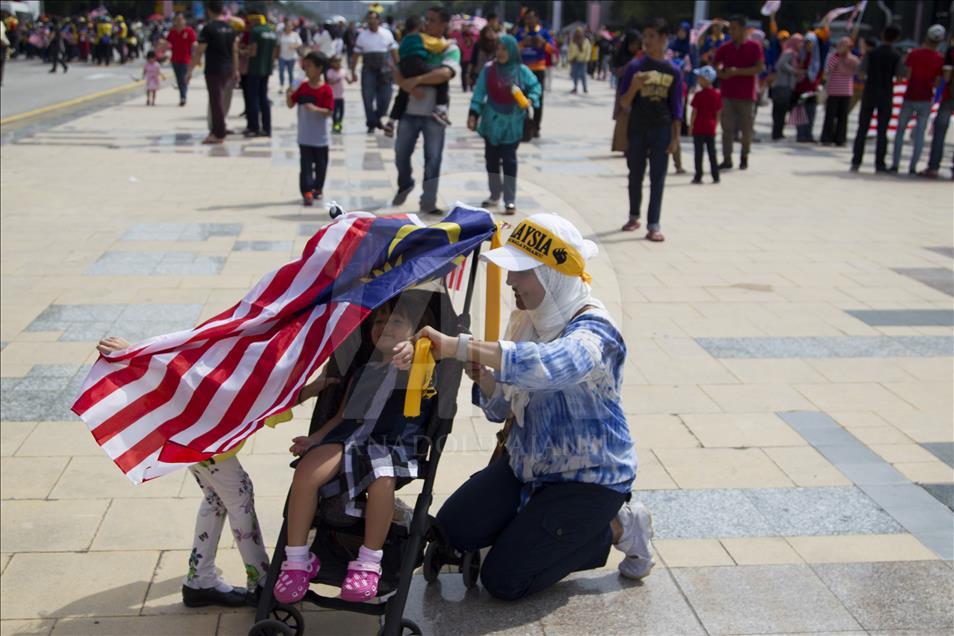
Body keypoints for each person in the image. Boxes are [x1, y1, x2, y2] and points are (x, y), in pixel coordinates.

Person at [426, 213, 653, 600]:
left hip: (588, 480)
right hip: (526, 466)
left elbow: (550, 366)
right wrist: (484, 376)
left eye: (522, 272)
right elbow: (502, 410)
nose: (511, 281)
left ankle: (620, 525)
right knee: (453, 529)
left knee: (504, 581)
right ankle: (531, 532)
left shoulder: (594, 331)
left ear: (554, 274)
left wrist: (457, 346)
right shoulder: (526, 321)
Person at [96, 335, 284, 608]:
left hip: (194, 434)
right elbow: (184, 364)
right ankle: (261, 582)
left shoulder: (252, 345)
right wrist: (136, 353)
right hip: (202, 436)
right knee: (239, 494)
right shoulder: (251, 349)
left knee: (216, 499)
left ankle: (200, 580)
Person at [273, 295, 439, 604]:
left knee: (381, 475)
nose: (384, 326)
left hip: (391, 445)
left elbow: (422, 353)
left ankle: (368, 562)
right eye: (378, 321)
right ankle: (297, 560)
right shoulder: (364, 371)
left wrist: (416, 348)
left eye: (396, 322)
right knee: (308, 470)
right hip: (350, 438)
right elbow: (342, 416)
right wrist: (316, 438)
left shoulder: (421, 365)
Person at [391, 6, 460, 216]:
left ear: (443, 24)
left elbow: (445, 74)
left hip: (434, 114)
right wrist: (407, 83)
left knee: (433, 158)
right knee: (400, 154)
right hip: (409, 111)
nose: (427, 23)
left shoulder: (450, 48)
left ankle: (428, 201)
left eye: (432, 20)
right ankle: (405, 183)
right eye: (426, 19)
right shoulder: (415, 41)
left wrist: (416, 80)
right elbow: (397, 71)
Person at [619, 18, 683, 242]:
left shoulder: (673, 71)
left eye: (652, 37)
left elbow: (677, 107)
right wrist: (635, 87)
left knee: (658, 177)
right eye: (645, 37)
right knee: (635, 174)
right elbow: (624, 104)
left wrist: (676, 138)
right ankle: (633, 215)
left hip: (662, 129)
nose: (647, 41)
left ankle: (654, 223)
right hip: (637, 128)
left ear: (664, 39)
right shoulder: (635, 68)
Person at [468, 34, 541, 214]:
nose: (500, 53)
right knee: (491, 160)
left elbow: (535, 87)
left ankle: (509, 199)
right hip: (491, 122)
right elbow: (479, 93)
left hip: (513, 123)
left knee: (509, 161)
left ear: (513, 51)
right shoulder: (488, 70)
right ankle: (494, 194)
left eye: (504, 49)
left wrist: (530, 99)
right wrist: (473, 114)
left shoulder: (521, 70)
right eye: (498, 48)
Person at [890, 24, 946, 175]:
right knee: (920, 134)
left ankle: (895, 163)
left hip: (910, 96)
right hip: (926, 98)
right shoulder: (940, 59)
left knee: (900, 131)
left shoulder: (914, 54)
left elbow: (907, 74)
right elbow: (937, 81)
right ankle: (913, 167)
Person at [383, 15, 452, 137]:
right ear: (419, 27)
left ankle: (391, 121)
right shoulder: (421, 37)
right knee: (441, 78)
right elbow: (441, 45)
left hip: (404, 67)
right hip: (417, 64)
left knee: (403, 94)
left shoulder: (404, 40)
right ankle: (440, 109)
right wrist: (450, 42)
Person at [714, 14, 764, 170]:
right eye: (730, 29)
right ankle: (727, 158)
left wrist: (738, 72)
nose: (731, 32)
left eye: (734, 29)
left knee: (746, 128)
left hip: (746, 95)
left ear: (743, 29)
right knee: (726, 128)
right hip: (727, 93)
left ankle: (744, 156)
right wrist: (721, 74)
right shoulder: (725, 48)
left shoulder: (754, 47)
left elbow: (759, 68)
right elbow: (715, 66)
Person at [851, 25, 902, 171]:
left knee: (862, 129)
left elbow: (860, 73)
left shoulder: (871, 53)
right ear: (897, 38)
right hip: (886, 94)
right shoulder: (896, 55)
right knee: (882, 131)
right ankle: (880, 163)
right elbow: (899, 78)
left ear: (882, 35)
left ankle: (856, 161)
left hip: (869, 93)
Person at [188, 1, 239, 145]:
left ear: (209, 11)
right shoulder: (230, 28)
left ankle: (219, 133)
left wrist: (189, 71)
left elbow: (199, 51)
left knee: (215, 102)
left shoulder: (208, 28)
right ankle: (217, 130)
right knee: (220, 101)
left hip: (214, 70)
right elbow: (234, 50)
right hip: (228, 69)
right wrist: (235, 70)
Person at [287, 51, 334, 206]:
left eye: (309, 66)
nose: (306, 69)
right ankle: (307, 191)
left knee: (321, 166)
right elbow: (290, 104)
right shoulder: (302, 87)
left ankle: (318, 189)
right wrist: (289, 94)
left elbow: (329, 111)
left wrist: (315, 109)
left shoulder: (326, 89)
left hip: (321, 138)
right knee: (305, 166)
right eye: (304, 66)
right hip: (305, 136)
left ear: (320, 68)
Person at [350, 10, 397, 134]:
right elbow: (355, 54)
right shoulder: (362, 36)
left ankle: (376, 118)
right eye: (369, 18)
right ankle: (371, 122)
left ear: (379, 20)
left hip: (385, 70)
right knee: (367, 97)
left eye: (374, 18)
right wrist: (353, 71)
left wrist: (398, 67)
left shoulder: (387, 34)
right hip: (369, 69)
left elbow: (393, 51)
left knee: (386, 97)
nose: (372, 21)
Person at [514, 10, 554, 137]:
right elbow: (512, 47)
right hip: (523, 71)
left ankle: (536, 126)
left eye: (531, 18)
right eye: (527, 18)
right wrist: (522, 43)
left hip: (538, 69)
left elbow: (552, 50)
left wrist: (542, 42)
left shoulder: (544, 32)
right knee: (521, 97)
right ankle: (524, 124)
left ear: (537, 19)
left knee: (538, 99)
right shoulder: (521, 32)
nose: (529, 21)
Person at [920, 38, 953, 178]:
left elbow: (946, 76)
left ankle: (933, 167)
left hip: (950, 95)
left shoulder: (952, 51)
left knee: (939, 131)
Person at [243, 14, 278, 138]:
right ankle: (267, 128)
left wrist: (240, 51)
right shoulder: (272, 32)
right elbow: (275, 52)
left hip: (255, 69)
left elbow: (253, 51)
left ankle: (254, 127)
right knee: (264, 98)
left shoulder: (256, 32)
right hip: (266, 70)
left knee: (253, 98)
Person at [819, 37, 859, 146]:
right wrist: (838, 55)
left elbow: (857, 70)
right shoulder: (834, 57)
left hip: (846, 90)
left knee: (843, 116)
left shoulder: (853, 59)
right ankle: (826, 137)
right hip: (833, 90)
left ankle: (840, 139)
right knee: (830, 115)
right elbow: (828, 69)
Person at [611, 30, 642, 153]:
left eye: (637, 44)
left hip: (638, 91)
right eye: (632, 44)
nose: (635, 47)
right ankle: (624, 146)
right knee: (624, 119)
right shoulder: (621, 55)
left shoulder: (642, 55)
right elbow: (617, 72)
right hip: (624, 89)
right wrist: (632, 62)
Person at [690, 66, 722, 184]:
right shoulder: (717, 95)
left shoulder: (699, 95)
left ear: (705, 79)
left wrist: (691, 126)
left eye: (700, 77)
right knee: (712, 153)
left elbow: (694, 112)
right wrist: (716, 125)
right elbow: (718, 113)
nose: (698, 79)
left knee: (698, 154)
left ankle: (698, 175)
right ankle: (715, 175)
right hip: (711, 127)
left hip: (699, 127)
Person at [771, 34, 802, 140]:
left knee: (782, 111)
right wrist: (794, 71)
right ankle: (777, 133)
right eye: (799, 42)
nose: (801, 44)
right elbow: (780, 64)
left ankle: (778, 132)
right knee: (780, 111)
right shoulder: (789, 52)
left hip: (786, 86)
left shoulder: (794, 54)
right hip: (781, 86)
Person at [162, 14, 196, 107]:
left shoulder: (189, 31)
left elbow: (193, 45)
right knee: (179, 79)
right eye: (177, 20)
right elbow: (167, 43)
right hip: (175, 59)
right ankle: (182, 95)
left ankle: (183, 97)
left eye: (181, 19)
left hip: (186, 59)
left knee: (183, 78)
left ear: (184, 20)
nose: (179, 21)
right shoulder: (172, 32)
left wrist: (195, 57)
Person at [326, 55, 350, 134]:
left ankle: (338, 124)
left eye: (339, 61)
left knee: (342, 112)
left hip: (341, 96)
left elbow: (348, 80)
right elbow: (329, 82)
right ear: (331, 63)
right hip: (333, 97)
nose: (338, 63)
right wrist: (336, 81)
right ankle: (335, 124)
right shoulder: (330, 72)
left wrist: (352, 79)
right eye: (335, 61)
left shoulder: (343, 70)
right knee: (334, 112)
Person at [277, 22, 302, 92]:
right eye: (287, 26)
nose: (288, 27)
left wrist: (293, 46)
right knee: (281, 71)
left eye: (289, 26)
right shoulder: (282, 35)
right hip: (282, 56)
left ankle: (291, 87)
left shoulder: (295, 35)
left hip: (292, 57)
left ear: (292, 27)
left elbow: (300, 43)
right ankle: (281, 86)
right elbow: (278, 44)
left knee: (290, 72)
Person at [568, 27, 591, 94]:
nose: (578, 33)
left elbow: (588, 50)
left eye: (580, 32)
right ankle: (575, 87)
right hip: (574, 59)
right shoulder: (573, 41)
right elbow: (570, 50)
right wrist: (569, 59)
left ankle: (585, 88)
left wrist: (587, 59)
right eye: (577, 32)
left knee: (583, 75)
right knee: (574, 75)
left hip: (583, 60)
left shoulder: (586, 41)